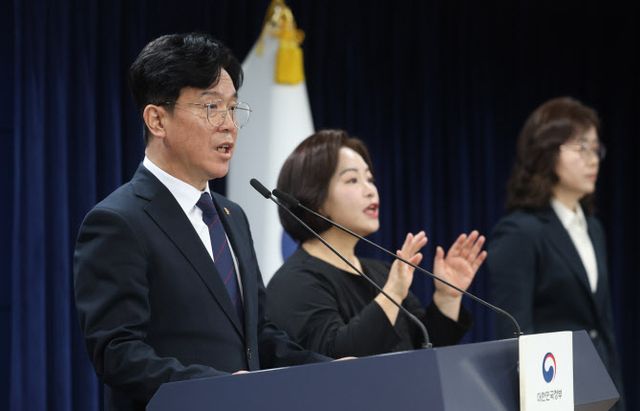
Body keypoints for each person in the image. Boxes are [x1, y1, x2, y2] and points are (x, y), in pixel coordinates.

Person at [73, 33, 328, 411]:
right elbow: (118, 353)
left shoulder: (232, 216)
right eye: (211, 107)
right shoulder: (117, 222)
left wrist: (329, 369)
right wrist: (216, 389)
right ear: (157, 119)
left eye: (233, 108)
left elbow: (259, 336)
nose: (229, 125)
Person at [266, 129, 487, 357]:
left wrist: (447, 297)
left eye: (370, 179)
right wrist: (393, 292)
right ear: (315, 199)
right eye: (352, 180)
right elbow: (336, 359)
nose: (370, 190)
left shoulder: (382, 273)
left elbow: (424, 349)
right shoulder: (295, 282)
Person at [486, 97, 625, 409]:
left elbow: (603, 329)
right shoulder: (520, 232)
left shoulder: (593, 228)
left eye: (596, 149)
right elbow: (514, 335)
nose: (594, 160)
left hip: (601, 395)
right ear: (547, 153)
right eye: (581, 148)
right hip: (552, 398)